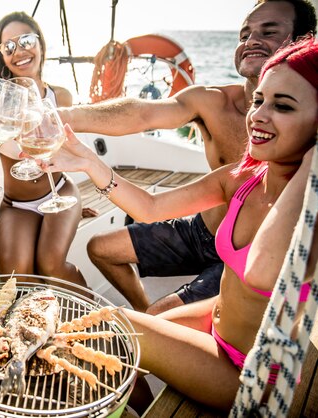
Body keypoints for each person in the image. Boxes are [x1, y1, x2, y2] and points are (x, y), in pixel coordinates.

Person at [42, 36, 318, 412]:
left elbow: (260, 271)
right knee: (109, 335)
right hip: (214, 318)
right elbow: (151, 207)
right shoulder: (240, 180)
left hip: (251, 375)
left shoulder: (311, 211)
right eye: (258, 100)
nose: (258, 115)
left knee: (111, 328)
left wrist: (312, 164)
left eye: (282, 105)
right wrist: (90, 162)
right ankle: (141, 407)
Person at [58, 0, 316, 313]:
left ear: (305, 41)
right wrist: (62, 116)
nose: (251, 41)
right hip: (201, 231)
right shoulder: (212, 103)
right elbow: (141, 115)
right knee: (100, 248)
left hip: (249, 258)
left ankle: (158, 322)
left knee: (154, 324)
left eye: (269, 32)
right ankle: (150, 315)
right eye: (244, 34)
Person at [0, 11, 92, 290]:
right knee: (18, 279)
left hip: (60, 194)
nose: (19, 51)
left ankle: (96, 319)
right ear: (2, 55)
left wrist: (75, 208)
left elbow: (70, 149)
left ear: (40, 43)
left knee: (51, 265)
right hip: (17, 207)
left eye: (26, 40)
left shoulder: (60, 97)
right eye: (9, 46)